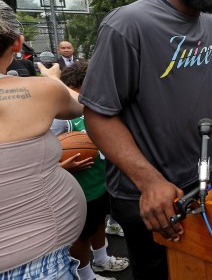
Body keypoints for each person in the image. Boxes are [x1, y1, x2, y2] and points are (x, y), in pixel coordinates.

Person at [79, 0, 212, 279]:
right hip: (148, 192)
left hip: (204, 179)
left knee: (206, 269)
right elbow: (97, 114)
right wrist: (150, 182)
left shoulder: (208, 25)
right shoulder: (128, 24)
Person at [0, 1, 86, 278]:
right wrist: (53, 80)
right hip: (34, 264)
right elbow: (83, 104)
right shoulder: (42, 90)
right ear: (18, 43)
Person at [53, 61, 130, 280]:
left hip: (98, 181)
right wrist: (61, 165)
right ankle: (85, 274)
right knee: (80, 234)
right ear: (81, 84)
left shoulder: (92, 107)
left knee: (98, 222)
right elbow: (42, 153)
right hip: (77, 186)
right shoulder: (60, 117)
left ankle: (102, 260)